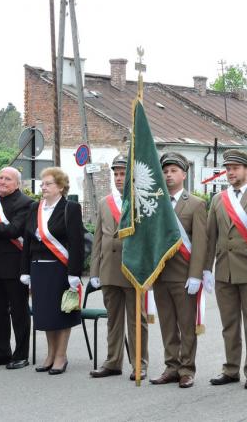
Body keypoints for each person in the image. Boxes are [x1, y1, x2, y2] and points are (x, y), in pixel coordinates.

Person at [204, 149, 247, 389]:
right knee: (229, 324)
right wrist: (207, 269)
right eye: (228, 169)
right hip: (225, 271)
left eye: (235, 168)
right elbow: (210, 237)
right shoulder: (218, 199)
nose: (230, 173)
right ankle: (230, 369)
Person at [149, 152, 207, 389]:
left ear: (184, 174)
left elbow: (200, 243)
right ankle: (171, 366)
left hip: (183, 275)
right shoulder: (154, 202)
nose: (168, 175)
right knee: (167, 324)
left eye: (174, 171)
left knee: (186, 325)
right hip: (161, 274)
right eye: (165, 171)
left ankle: (187, 369)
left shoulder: (195, 204)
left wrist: (195, 275)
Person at [89, 154, 148, 380]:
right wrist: (94, 271)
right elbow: (98, 239)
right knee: (113, 320)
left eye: (123, 174)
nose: (119, 178)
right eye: (116, 174)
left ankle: (139, 363)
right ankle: (113, 361)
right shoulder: (105, 202)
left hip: (132, 269)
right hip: (108, 269)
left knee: (136, 320)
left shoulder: (140, 200)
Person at [20, 167, 84, 375]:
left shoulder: (70, 208)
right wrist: (25, 270)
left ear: (61, 187)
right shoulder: (35, 208)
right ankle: (50, 354)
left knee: (62, 313)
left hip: (60, 268)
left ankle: (61, 356)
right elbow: (27, 241)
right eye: (42, 184)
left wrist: (74, 273)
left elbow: (76, 242)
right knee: (45, 314)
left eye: (48, 184)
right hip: (38, 269)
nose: (43, 187)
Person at [0, 167, 33, 369]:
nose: (1, 181)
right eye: (0, 177)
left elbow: (13, 231)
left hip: (14, 266)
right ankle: (1, 353)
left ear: (17, 183)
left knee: (19, 312)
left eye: (7, 179)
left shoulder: (25, 203)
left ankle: (21, 354)